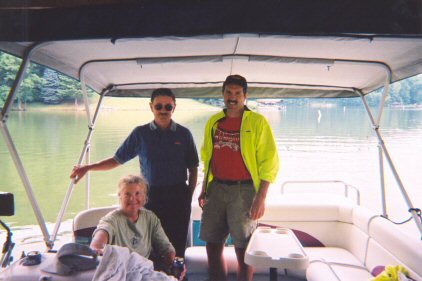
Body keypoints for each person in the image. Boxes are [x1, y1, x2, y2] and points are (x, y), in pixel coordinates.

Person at [70, 88, 199, 258]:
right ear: (151, 107)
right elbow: (117, 159)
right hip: (150, 197)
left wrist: (188, 195)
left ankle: (176, 274)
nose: (163, 111)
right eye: (158, 106)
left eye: (168, 107)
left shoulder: (184, 134)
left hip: (178, 196)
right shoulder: (141, 133)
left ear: (174, 108)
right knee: (149, 244)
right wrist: (87, 168)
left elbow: (193, 167)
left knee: (177, 245)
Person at [198, 75, 279, 281]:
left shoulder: (257, 122)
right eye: (228, 92)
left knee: (243, 250)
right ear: (223, 94)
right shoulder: (213, 122)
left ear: (245, 96)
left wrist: (261, 197)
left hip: (244, 192)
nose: (232, 98)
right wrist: (204, 188)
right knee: (212, 245)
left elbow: (269, 162)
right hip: (216, 189)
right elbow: (208, 157)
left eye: (237, 93)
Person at [90, 174, 175, 272]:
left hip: (144, 272)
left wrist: (173, 266)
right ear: (120, 196)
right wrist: (98, 248)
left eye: (137, 193)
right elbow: (99, 240)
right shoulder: (111, 219)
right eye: (127, 194)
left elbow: (166, 248)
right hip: (118, 271)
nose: (132, 199)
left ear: (144, 197)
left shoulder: (150, 218)